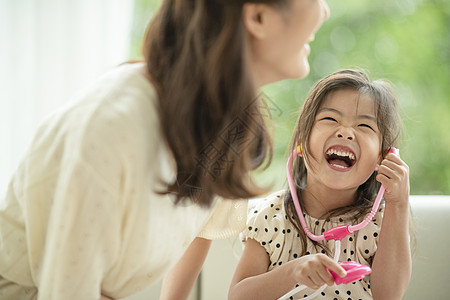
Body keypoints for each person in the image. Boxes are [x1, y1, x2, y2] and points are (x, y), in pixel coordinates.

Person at [0, 0, 330, 299]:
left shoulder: (223, 119)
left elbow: (197, 229)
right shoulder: (110, 132)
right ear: (258, 16)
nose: (325, 11)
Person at [229, 69, 412, 300]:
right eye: (330, 119)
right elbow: (237, 297)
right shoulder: (272, 215)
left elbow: (389, 295)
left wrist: (399, 203)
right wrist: (293, 271)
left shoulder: (382, 222)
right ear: (301, 143)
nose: (345, 132)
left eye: (364, 126)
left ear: (382, 157)